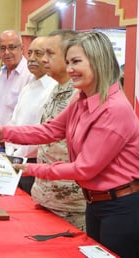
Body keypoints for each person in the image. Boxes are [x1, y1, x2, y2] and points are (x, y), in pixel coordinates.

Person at [0, 31, 139, 258]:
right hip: (95, 203)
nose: (70, 69)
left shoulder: (115, 109)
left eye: (76, 62)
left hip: (122, 207)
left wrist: (27, 168)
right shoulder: (80, 99)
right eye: (68, 62)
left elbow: (85, 167)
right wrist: (1, 132)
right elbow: (50, 130)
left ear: (98, 61)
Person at [30, 30, 86, 230]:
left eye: (49, 54)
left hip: (70, 202)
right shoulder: (56, 88)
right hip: (47, 195)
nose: (43, 59)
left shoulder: (81, 93)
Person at [5, 36, 57, 195]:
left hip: (35, 165)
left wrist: (17, 156)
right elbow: (15, 122)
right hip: (16, 161)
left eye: (38, 54)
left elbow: (45, 132)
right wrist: (10, 154)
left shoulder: (54, 89)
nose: (32, 59)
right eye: (30, 53)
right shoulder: (29, 86)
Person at [0, 30, 33, 152]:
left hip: (16, 146)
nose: (7, 52)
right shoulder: (0, 76)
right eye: (2, 48)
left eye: (12, 47)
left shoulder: (29, 75)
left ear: (22, 48)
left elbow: (29, 116)